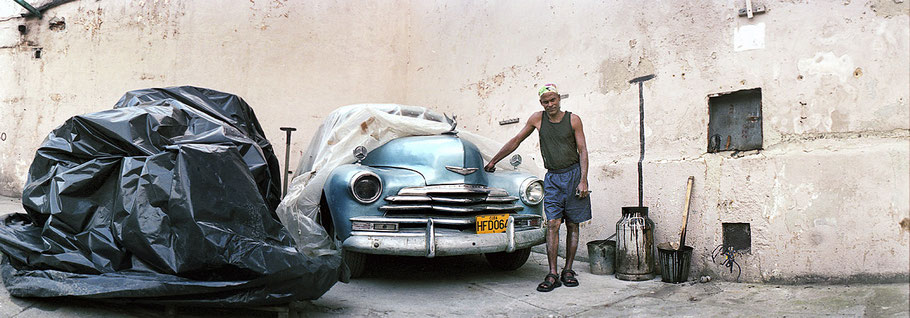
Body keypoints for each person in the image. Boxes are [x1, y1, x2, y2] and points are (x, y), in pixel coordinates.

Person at [484, 83, 591, 292]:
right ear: (541, 103)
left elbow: (583, 150)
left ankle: (567, 270)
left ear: (559, 98)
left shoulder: (573, 119)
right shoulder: (537, 119)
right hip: (553, 178)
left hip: (574, 175)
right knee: (552, 224)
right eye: (545, 101)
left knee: (573, 225)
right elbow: (516, 140)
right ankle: (552, 273)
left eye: (553, 100)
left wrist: (583, 179)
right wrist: (493, 161)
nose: (550, 104)